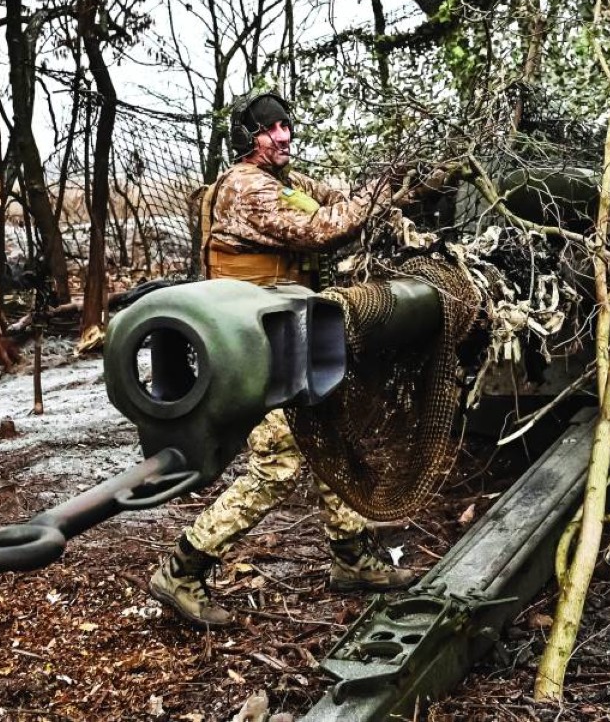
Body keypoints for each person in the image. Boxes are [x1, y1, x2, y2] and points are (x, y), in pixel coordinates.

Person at [149, 89, 446, 628]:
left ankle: (352, 557)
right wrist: (378, 194)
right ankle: (183, 566)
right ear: (248, 139)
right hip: (252, 346)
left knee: (328, 435)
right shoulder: (246, 187)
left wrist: (407, 185)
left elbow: (337, 199)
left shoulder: (285, 179)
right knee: (278, 464)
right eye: (269, 129)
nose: (283, 136)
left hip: (287, 333)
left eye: (286, 125)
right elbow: (322, 229)